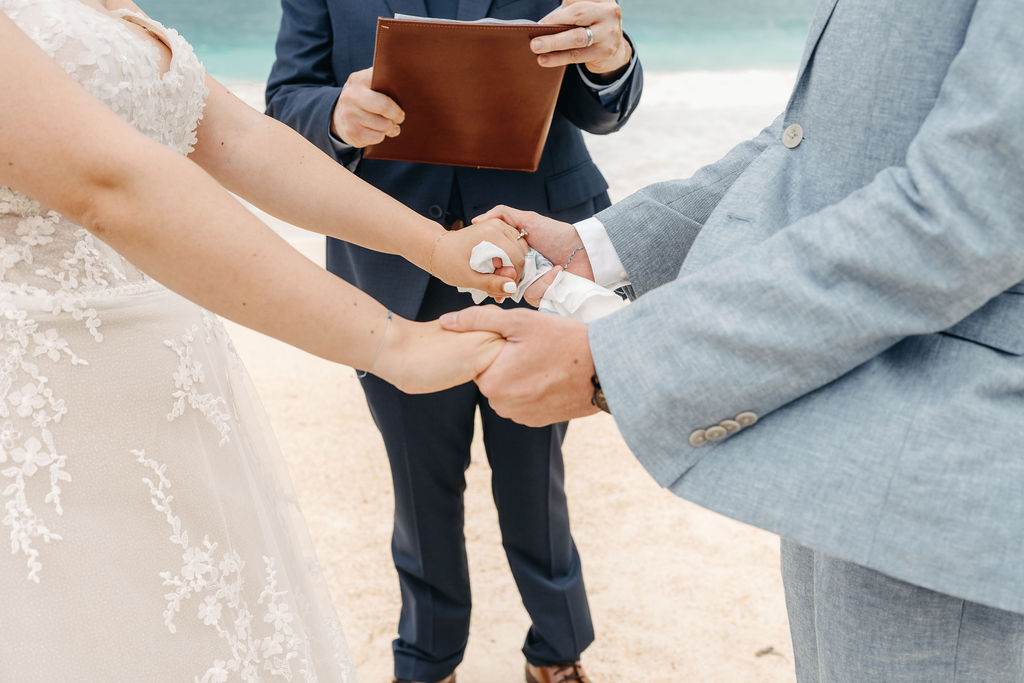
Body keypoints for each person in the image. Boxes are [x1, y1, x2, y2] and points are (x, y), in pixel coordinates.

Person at [442, 0, 1024, 680]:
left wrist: (619, 362)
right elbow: (806, 143)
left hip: (952, 476)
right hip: (841, 439)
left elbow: (963, 213)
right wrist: (600, 248)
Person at [0, 0, 530, 679]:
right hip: (53, 426)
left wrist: (435, 247)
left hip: (175, 414)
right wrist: (391, 343)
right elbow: (113, 185)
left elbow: (238, 139)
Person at [265, 1, 641, 681]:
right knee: (418, 486)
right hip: (389, 264)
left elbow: (604, 108)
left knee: (536, 478)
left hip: (537, 246)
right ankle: (428, 661)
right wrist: (334, 117)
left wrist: (610, 58)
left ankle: (557, 654)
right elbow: (285, 102)